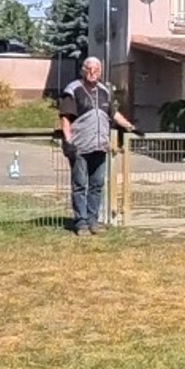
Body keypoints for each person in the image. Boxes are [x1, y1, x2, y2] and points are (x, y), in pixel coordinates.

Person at [59, 55, 134, 236]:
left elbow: (113, 114)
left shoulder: (104, 91)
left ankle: (93, 221)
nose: (92, 72)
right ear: (83, 70)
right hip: (80, 146)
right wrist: (68, 141)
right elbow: (65, 118)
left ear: (100, 72)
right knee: (80, 185)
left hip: (100, 146)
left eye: (96, 69)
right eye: (89, 69)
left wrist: (130, 126)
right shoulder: (73, 90)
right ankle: (81, 223)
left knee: (97, 185)